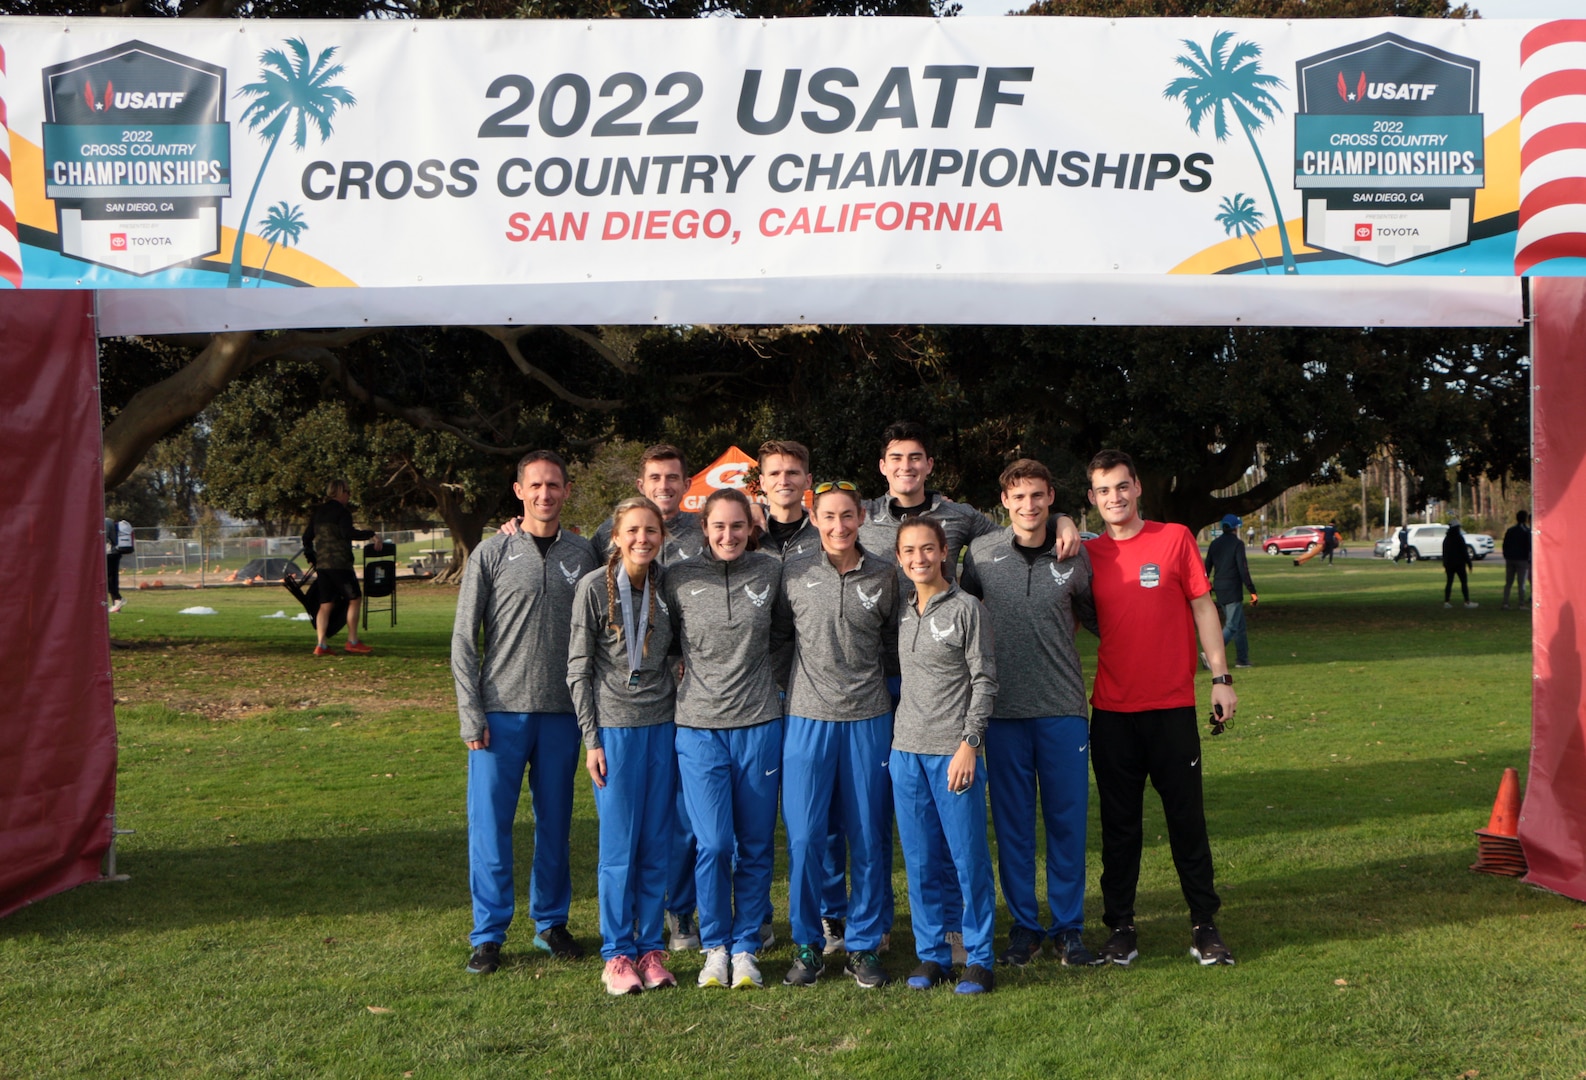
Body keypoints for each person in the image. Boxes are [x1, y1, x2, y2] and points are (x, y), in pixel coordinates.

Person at [1083, 449, 1238, 967]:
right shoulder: (1086, 555)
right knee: (1119, 828)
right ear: (1092, 498)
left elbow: (1202, 606)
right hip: (1111, 713)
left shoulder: (1174, 539)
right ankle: (1121, 928)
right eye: (1103, 491)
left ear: (1137, 487)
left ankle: (1203, 925)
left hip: (1171, 708)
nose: (1114, 498)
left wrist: (1220, 678)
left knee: (1186, 822)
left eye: (1122, 487)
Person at [452, 451, 599, 975]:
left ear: (566, 489)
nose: (545, 494)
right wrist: (471, 714)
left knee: (555, 824)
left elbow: (635, 543)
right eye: (535, 486)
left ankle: (551, 923)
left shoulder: (585, 552)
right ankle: (489, 933)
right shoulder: (492, 553)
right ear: (518, 491)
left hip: (561, 713)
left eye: (554, 485)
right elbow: (464, 641)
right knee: (490, 826)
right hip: (499, 714)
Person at [960, 459, 1097, 970]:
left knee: (1067, 824)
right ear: (1005, 502)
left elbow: (1095, 616)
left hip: (1062, 709)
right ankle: (1024, 927)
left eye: (1038, 496)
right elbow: (962, 619)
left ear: (1050, 498)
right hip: (1002, 712)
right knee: (1014, 826)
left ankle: (1068, 928)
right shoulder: (981, 554)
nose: (1029, 505)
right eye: (1018, 497)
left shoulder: (1075, 555)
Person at [663, 488, 789, 990]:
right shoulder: (679, 577)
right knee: (713, 844)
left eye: (738, 526)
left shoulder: (771, 571)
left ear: (750, 528)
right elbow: (666, 639)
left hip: (759, 724)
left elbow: (785, 634)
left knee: (755, 846)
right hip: (698, 727)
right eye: (719, 526)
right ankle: (715, 945)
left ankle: (746, 948)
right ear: (704, 529)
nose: (728, 535)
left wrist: (771, 678)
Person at [777, 480, 898, 989]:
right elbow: (780, 640)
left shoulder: (886, 575)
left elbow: (896, 648)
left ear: (861, 518)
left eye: (847, 515)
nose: (839, 526)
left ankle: (865, 944)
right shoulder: (794, 573)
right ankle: (809, 942)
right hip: (807, 720)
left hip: (869, 718)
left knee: (869, 835)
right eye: (828, 516)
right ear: (815, 516)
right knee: (805, 838)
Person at [568, 496, 679, 996]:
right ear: (615, 536)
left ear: (662, 536)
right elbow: (579, 668)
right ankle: (616, 952)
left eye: (651, 531)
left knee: (657, 843)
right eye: (633, 530)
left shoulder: (668, 586)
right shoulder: (594, 588)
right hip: (614, 731)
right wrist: (591, 739)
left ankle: (650, 947)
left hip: (664, 727)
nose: (642, 539)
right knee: (619, 848)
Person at [891, 515, 999, 994]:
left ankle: (979, 957)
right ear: (900, 558)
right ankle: (932, 954)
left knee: (967, 859)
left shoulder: (966, 609)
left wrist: (969, 744)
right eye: (910, 551)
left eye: (928, 549)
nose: (920, 558)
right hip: (905, 753)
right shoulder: (900, 611)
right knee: (920, 860)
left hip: (953, 754)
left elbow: (984, 680)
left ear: (944, 553)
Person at [756, 439, 849, 956]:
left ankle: (831, 914)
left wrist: (1064, 521)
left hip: (820, 697)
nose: (784, 480)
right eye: (775, 473)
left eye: (794, 472)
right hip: (756, 695)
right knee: (759, 814)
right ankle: (760, 916)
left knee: (824, 816)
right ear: (762, 482)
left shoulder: (828, 535)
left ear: (806, 481)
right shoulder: (744, 535)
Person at [591, 444, 705, 565]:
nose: (663, 486)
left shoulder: (704, 529)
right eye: (655, 478)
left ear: (686, 485)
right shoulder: (609, 530)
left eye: (672, 478)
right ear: (641, 486)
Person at [302, 479, 379, 656]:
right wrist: (371, 534)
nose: (349, 495)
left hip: (322, 566)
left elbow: (306, 537)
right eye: (347, 491)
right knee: (355, 599)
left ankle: (321, 644)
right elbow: (348, 533)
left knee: (325, 604)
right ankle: (352, 641)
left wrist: (311, 556)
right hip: (340, 565)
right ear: (339, 492)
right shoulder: (342, 512)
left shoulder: (318, 513)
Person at [1204, 514, 1259, 669]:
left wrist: (1205, 585)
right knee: (1232, 626)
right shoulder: (1238, 544)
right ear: (1236, 527)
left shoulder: (1214, 544)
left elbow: (1206, 567)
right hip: (1233, 588)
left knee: (1239, 625)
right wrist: (1252, 590)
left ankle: (1242, 659)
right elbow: (1243, 569)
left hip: (1219, 588)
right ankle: (1211, 655)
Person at [1443, 520, 1477, 609]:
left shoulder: (1447, 539)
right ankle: (1467, 601)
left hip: (1449, 564)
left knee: (1449, 582)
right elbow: (1464, 552)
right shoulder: (1459, 538)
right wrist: (1469, 563)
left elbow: (1444, 553)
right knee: (1464, 583)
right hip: (1459, 564)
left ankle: (1447, 601)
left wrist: (1445, 564)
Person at [1502, 510, 1531, 610]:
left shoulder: (1510, 530)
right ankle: (1521, 603)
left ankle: (1505, 603)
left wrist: (1506, 555)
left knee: (1508, 582)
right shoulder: (1526, 531)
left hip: (1510, 558)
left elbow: (1505, 544)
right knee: (1521, 583)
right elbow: (1529, 546)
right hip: (1522, 559)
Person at [106, 516, 132, 614]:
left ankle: (117, 599)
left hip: (110, 553)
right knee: (113, 578)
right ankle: (116, 604)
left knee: (109, 578)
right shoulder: (111, 522)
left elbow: (104, 538)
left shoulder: (105, 522)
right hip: (116, 553)